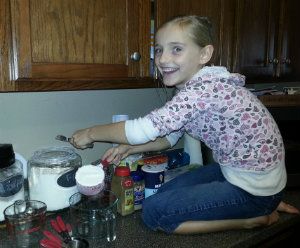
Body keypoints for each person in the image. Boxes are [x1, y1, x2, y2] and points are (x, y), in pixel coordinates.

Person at [70, 15, 299, 234]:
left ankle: (253, 219)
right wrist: (131, 149)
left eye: (176, 49)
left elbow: (142, 130)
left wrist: (90, 133)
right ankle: (263, 204)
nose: (163, 59)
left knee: (153, 213)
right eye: (159, 50)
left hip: (254, 188)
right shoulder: (200, 87)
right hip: (242, 175)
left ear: (204, 54)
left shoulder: (203, 90)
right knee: (163, 193)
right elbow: (169, 137)